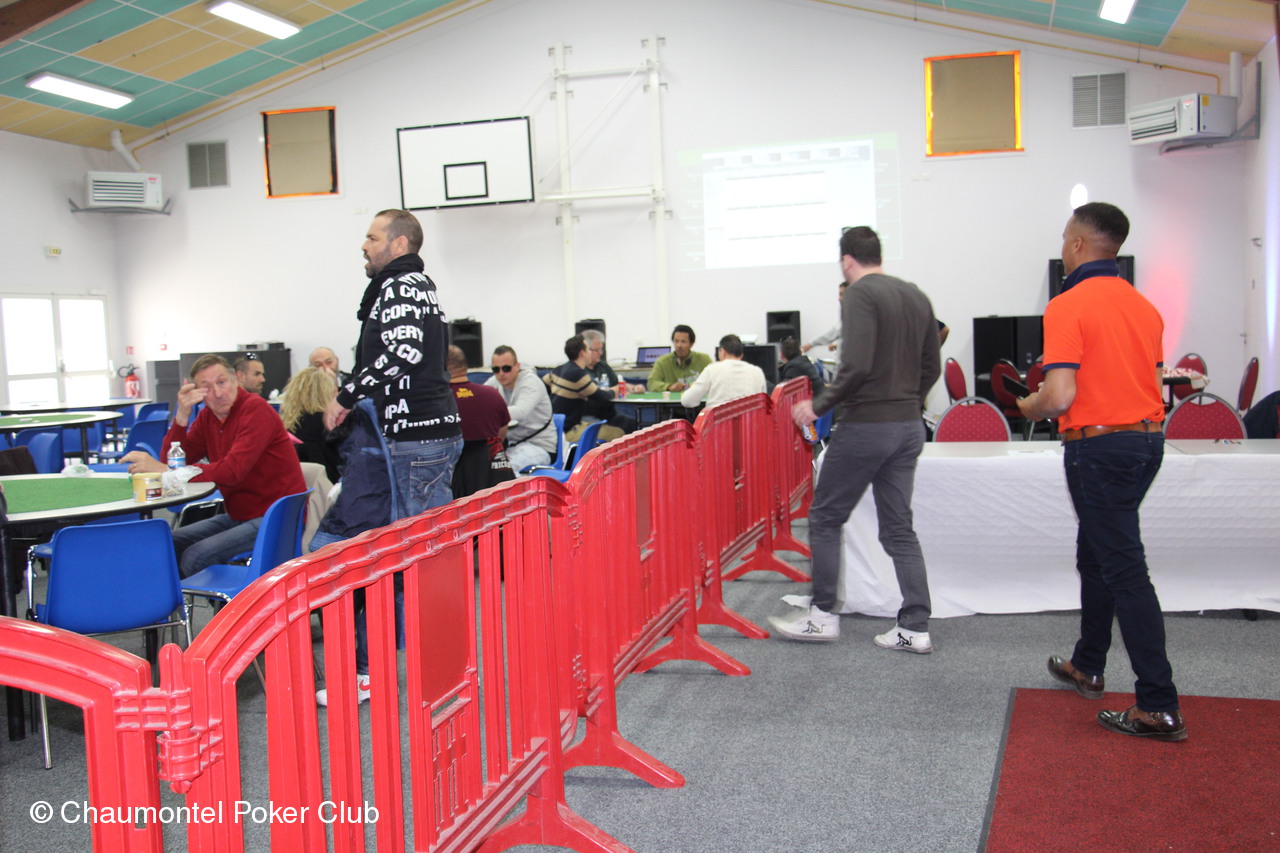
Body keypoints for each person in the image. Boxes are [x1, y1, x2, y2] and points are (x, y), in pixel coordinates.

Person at [1017, 202, 1185, 742]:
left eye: (1065, 240)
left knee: (1124, 570)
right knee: (1097, 555)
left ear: (1077, 245)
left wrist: (1027, 405)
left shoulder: (1067, 304)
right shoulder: (1145, 307)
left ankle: (1158, 705)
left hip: (1099, 448)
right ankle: (1088, 665)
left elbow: (1059, 395)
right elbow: (1150, 381)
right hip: (1146, 443)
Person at [314, 209, 462, 707]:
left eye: (372, 237)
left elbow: (403, 351)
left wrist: (346, 394)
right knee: (412, 559)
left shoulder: (400, 286)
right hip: (420, 440)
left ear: (399, 243)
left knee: (417, 563)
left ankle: (441, 676)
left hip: (416, 441)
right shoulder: (417, 285)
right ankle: (413, 673)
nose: (364, 245)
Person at [771, 226, 941, 651]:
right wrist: (908, 402)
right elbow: (932, 367)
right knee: (899, 528)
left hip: (867, 425)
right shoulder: (916, 295)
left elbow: (857, 364)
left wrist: (819, 405)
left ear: (847, 261)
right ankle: (915, 626)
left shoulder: (859, 294)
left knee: (826, 517)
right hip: (907, 427)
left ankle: (822, 616)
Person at [123, 354, 305, 578]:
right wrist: (181, 417)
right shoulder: (208, 417)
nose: (218, 393)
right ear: (196, 392)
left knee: (196, 555)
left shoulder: (255, 409)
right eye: (206, 387)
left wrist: (167, 472)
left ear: (235, 380)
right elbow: (174, 460)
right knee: (167, 542)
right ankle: (173, 597)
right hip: (239, 514)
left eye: (222, 382)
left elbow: (232, 471)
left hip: (276, 517)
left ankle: (201, 599)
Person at [447, 345, 513, 496]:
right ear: (465, 366)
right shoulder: (492, 394)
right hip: (493, 482)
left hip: (454, 487)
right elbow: (501, 436)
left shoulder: (439, 401)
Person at [486, 344, 558, 472]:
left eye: (506, 368)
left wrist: (490, 413)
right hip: (512, 446)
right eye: (496, 369)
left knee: (503, 468)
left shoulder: (531, 382)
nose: (501, 373)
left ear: (517, 366)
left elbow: (520, 412)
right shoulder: (495, 381)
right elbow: (480, 400)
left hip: (540, 447)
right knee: (481, 465)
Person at [544, 335, 626, 443]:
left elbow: (543, 384)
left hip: (556, 427)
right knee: (617, 433)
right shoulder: (578, 374)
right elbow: (602, 397)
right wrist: (614, 391)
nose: (590, 353)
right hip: (568, 431)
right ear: (582, 353)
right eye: (588, 349)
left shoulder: (559, 369)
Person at [280, 366, 343, 483]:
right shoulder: (329, 423)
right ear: (327, 392)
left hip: (296, 485)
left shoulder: (287, 424)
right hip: (329, 484)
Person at [680, 334, 767, 408]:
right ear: (741, 355)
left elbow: (687, 401)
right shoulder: (757, 372)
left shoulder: (712, 369)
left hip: (718, 423)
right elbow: (764, 405)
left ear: (722, 352)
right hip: (749, 422)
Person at [581, 329, 639, 434]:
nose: (601, 353)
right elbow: (597, 393)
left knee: (634, 424)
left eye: (601, 349)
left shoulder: (603, 366)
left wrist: (633, 387)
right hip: (589, 415)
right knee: (615, 431)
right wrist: (613, 390)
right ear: (585, 350)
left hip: (609, 414)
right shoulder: (579, 371)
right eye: (597, 350)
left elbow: (618, 384)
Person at [646, 325, 712, 392]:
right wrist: (669, 387)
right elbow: (652, 383)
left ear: (691, 344)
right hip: (672, 398)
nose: (679, 345)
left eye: (683, 342)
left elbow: (714, 380)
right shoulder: (662, 362)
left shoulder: (704, 360)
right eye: (676, 341)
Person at [801, 281, 848, 355]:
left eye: (842, 294)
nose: (839, 299)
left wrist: (810, 344)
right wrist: (838, 345)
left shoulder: (855, 315)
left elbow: (834, 332)